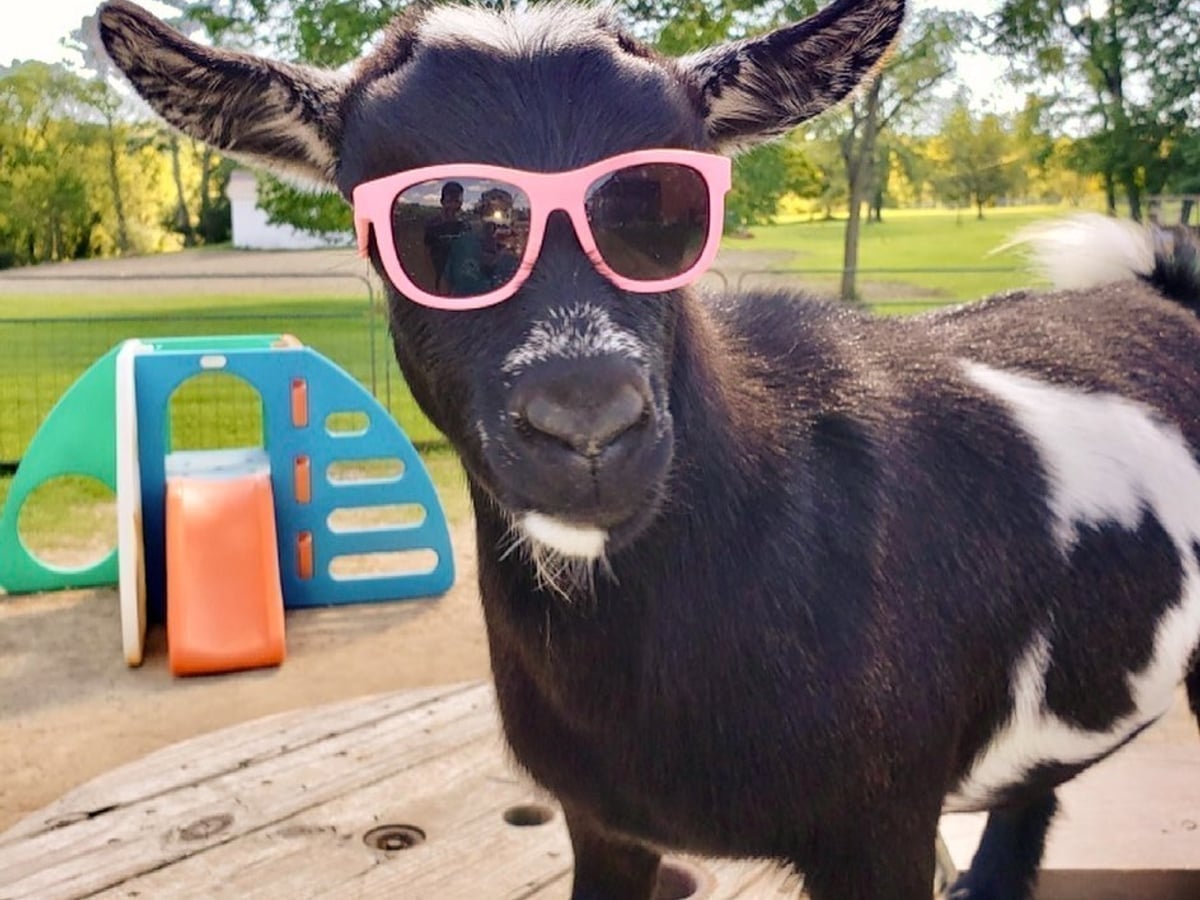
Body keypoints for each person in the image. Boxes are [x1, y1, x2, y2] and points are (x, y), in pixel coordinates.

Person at [423, 181, 469, 292]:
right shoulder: (433, 225)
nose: (453, 206)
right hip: (439, 273)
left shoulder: (464, 226)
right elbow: (425, 253)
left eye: (457, 202)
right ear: (442, 202)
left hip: (459, 276)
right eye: (449, 201)